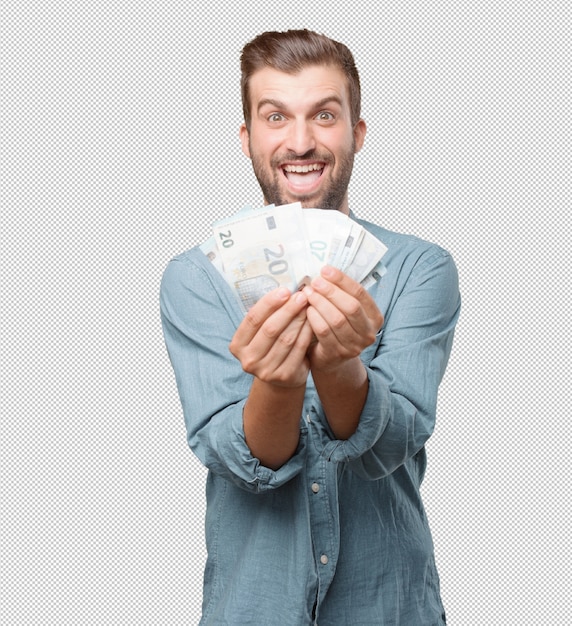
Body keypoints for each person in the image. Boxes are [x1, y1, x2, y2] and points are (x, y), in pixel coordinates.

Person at [160, 29, 461, 625]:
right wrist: (279, 381)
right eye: (276, 117)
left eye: (325, 115)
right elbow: (241, 461)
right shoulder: (195, 279)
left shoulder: (419, 269)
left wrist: (340, 366)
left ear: (357, 131)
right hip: (253, 608)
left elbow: (393, 444)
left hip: (388, 607)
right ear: (247, 138)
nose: (301, 142)